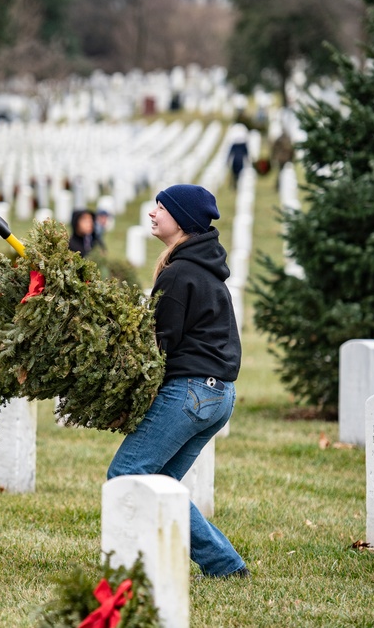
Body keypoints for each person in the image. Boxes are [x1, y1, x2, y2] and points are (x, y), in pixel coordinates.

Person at [107, 183, 249, 579]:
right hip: (219, 396)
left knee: (126, 474)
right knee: (161, 482)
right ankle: (226, 566)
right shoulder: (204, 269)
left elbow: (158, 347)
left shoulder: (180, 273)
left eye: (161, 208)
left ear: (182, 220)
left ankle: (125, 569)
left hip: (190, 393)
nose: (153, 214)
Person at [226, 124, 250, 191]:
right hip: (240, 160)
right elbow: (246, 153)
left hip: (235, 160)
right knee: (238, 174)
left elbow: (230, 153)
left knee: (235, 174)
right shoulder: (243, 145)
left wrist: (227, 161)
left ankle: (235, 186)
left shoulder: (234, 145)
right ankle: (235, 185)